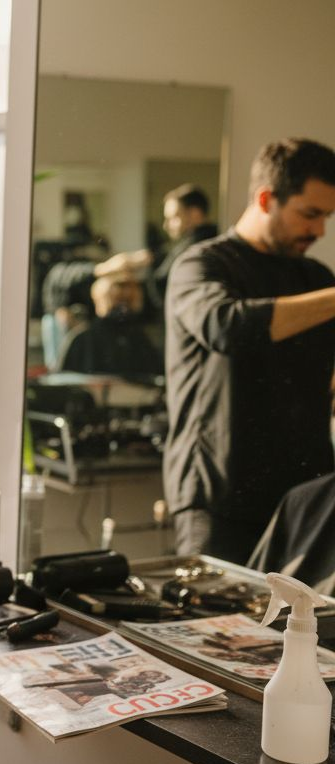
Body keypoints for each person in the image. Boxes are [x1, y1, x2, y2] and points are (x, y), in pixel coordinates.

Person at [164, 138, 335, 562]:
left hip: (305, 498)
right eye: (310, 214)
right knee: (215, 629)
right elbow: (228, 326)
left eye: (327, 217)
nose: (320, 231)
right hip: (219, 498)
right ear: (266, 198)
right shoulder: (200, 266)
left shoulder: (316, 278)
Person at [58, 266, 162, 377]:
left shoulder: (141, 341)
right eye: (120, 288)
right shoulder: (83, 341)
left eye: (131, 288)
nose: (126, 293)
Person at [149, 184, 219, 310]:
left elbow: (161, 286)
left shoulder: (190, 247)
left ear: (195, 214)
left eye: (174, 217)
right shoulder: (216, 238)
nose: (166, 225)